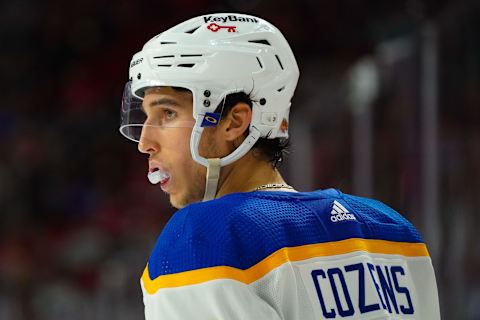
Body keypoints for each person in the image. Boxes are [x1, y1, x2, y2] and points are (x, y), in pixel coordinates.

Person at [119, 13, 440, 320]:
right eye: (146, 117)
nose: (145, 141)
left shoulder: (203, 238)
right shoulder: (393, 231)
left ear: (234, 122)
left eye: (168, 114)